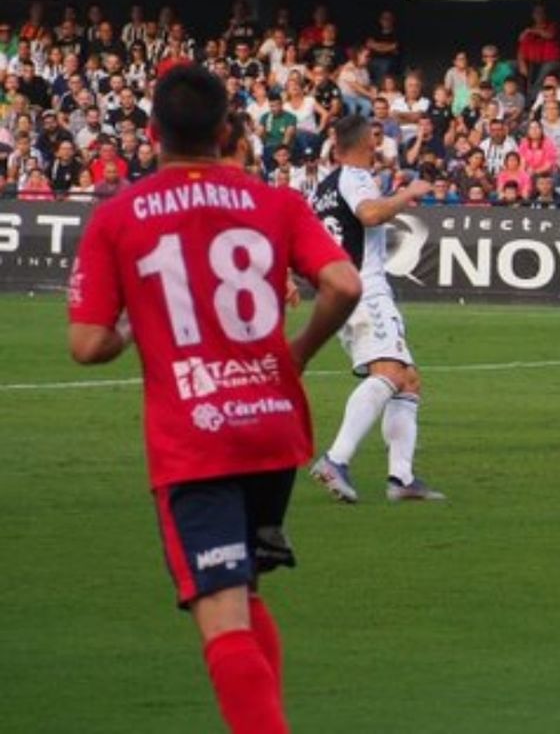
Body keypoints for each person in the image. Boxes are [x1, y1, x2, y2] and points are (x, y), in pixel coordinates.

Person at [67, 65, 362, 734]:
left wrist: (127, 325)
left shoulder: (117, 217)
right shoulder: (275, 203)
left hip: (195, 438)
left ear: (151, 133)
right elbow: (343, 285)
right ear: (226, 129)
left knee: (222, 615)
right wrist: (299, 352)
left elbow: (86, 344)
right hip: (271, 429)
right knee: (246, 590)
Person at [308, 117, 445, 504]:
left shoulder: (324, 188)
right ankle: (336, 459)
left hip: (339, 292)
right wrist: (409, 193)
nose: (379, 146)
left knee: (408, 379)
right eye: (376, 140)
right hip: (365, 291)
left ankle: (401, 480)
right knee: (389, 374)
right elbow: (370, 215)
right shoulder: (355, 177)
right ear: (366, 144)